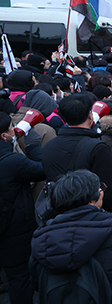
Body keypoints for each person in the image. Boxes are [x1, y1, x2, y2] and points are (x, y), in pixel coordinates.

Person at [30, 170, 112, 290]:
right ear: (91, 200)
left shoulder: (41, 239)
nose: (102, 191)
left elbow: (37, 282)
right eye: (100, 188)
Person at [41, 93, 112, 218]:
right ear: (90, 115)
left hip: (58, 215)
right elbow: (110, 190)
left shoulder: (49, 146)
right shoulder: (98, 148)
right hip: (89, 215)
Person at [0, 111, 45, 304]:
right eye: (11, 127)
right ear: (4, 136)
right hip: (14, 230)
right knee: (19, 277)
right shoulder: (12, 162)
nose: (14, 130)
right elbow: (44, 169)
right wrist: (34, 146)